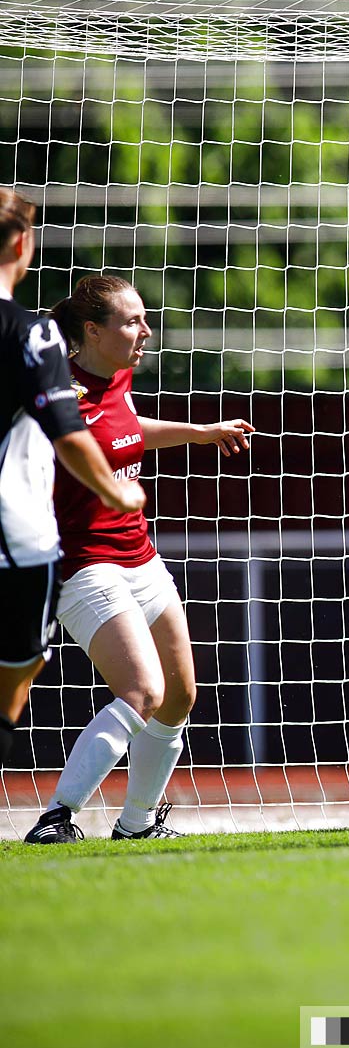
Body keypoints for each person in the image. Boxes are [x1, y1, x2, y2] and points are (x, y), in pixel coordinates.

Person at [23, 274, 254, 842]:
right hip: (84, 565)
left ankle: (137, 825)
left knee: (179, 696)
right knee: (141, 692)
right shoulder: (55, 394)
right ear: (93, 332)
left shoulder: (119, 377)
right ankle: (57, 819)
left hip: (140, 557)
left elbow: (127, 431)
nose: (145, 329)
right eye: (131, 321)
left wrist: (200, 432)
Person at [0, 191, 147, 772]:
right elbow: (68, 433)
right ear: (21, 245)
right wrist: (117, 490)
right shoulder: (32, 335)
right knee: (13, 686)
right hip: (19, 543)